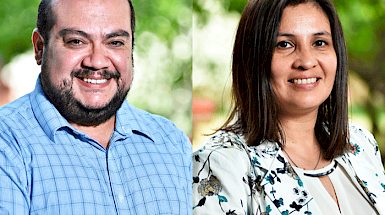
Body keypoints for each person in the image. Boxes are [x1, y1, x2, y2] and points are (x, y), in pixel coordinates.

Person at [192, 0, 385, 214]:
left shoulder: (360, 144)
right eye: (284, 44)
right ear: (254, 57)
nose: (306, 61)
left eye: (319, 42)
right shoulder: (219, 164)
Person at [0, 0, 192, 214]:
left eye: (115, 42)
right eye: (76, 41)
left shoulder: (172, 143)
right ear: (39, 48)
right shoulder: (6, 143)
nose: (97, 62)